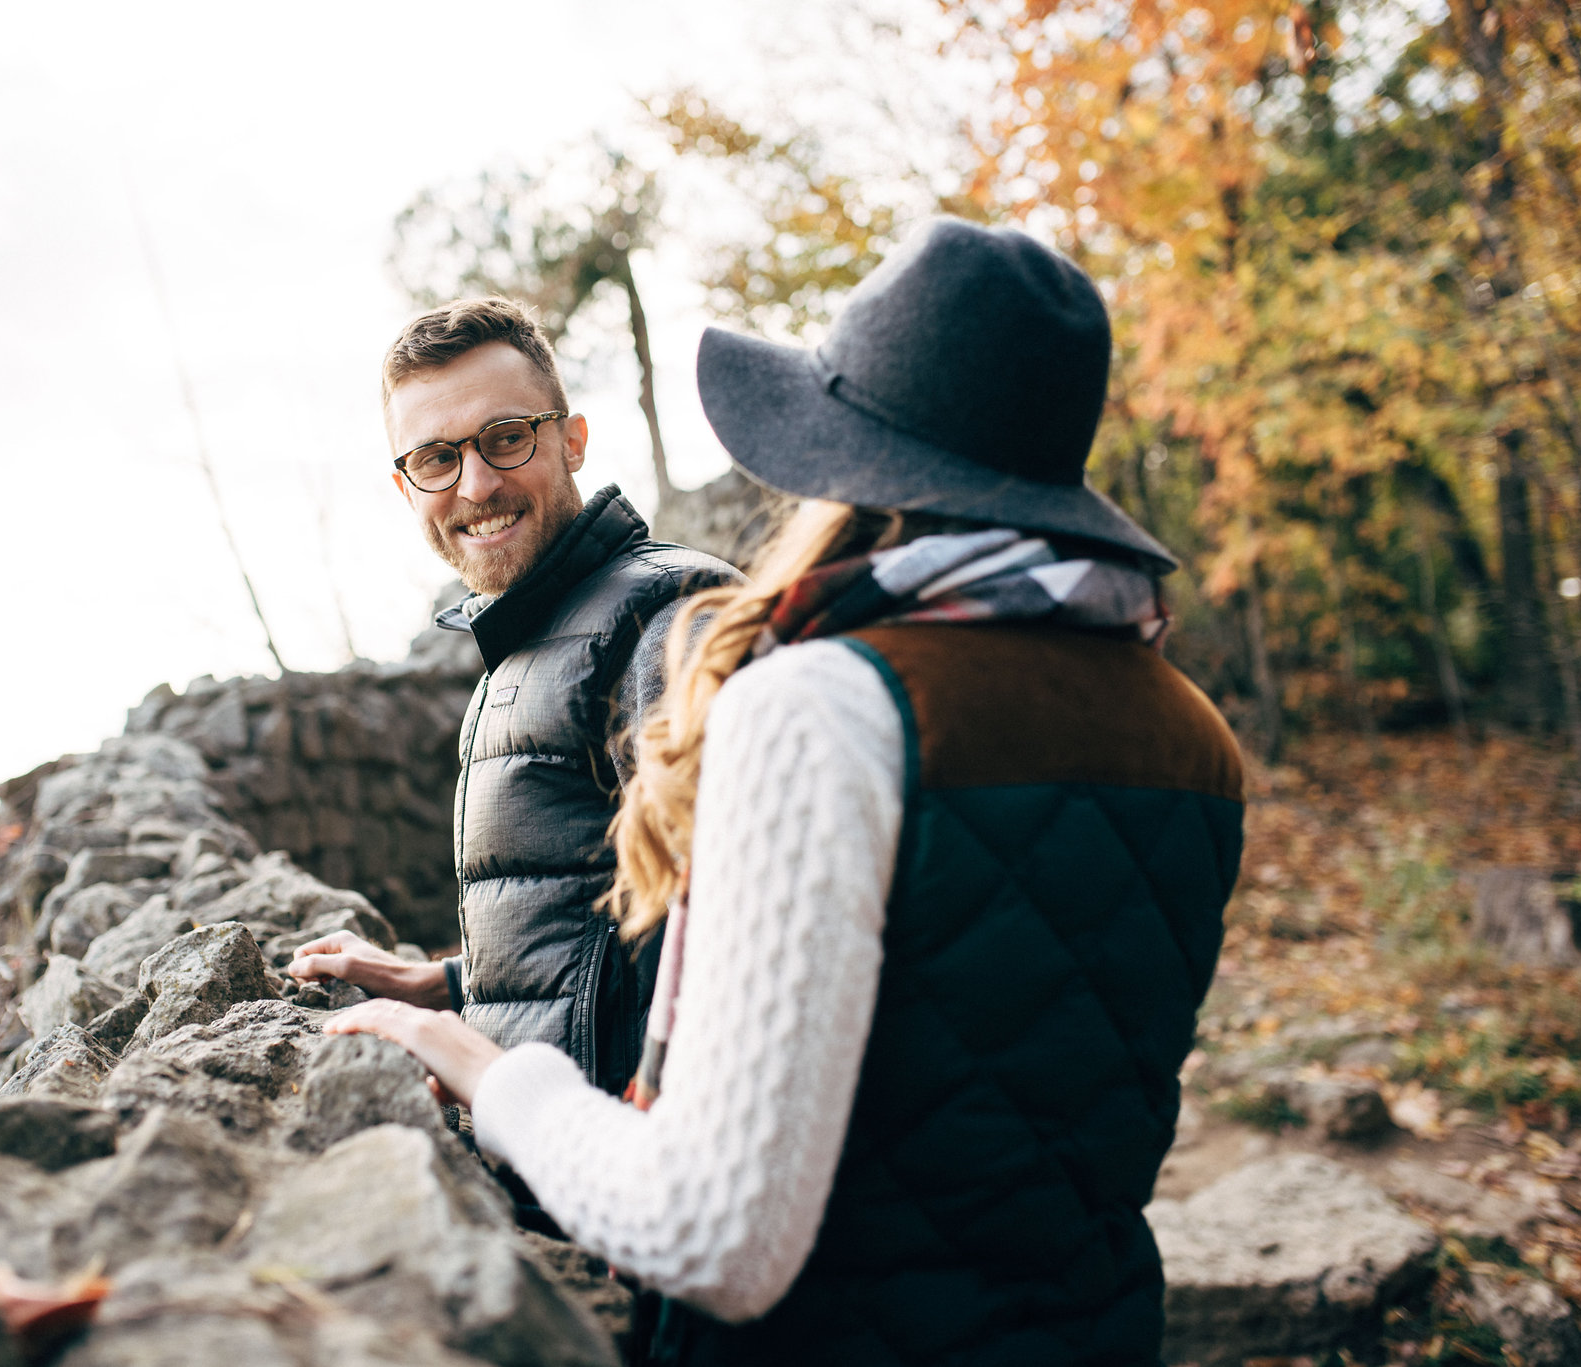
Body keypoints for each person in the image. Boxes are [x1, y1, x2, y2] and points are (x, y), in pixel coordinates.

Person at [321, 219, 1247, 1365]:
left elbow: (714, 1233)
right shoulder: (1193, 732)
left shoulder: (818, 701)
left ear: (846, 452)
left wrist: (491, 1071)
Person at [287, 298, 738, 1103]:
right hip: (555, 1169)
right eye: (435, 459)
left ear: (571, 440)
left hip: (623, 1194)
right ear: (405, 485)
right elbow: (604, 929)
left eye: (505, 439)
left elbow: (738, 937)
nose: (477, 485)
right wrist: (452, 983)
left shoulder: (667, 619)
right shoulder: (527, 638)